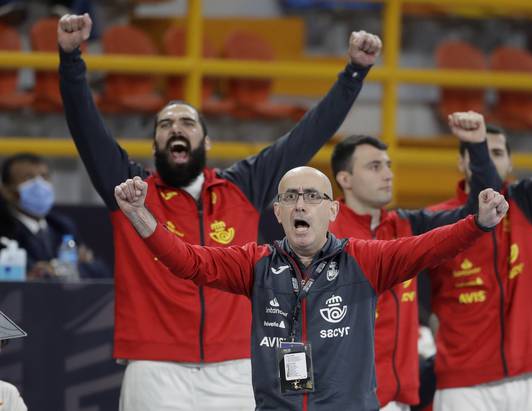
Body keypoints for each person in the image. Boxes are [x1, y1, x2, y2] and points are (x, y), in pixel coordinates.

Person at [57, 12, 382, 410]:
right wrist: (71, 60)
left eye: (188, 122)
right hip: (155, 368)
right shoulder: (131, 193)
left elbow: (306, 136)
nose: (177, 127)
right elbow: (87, 129)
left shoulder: (243, 186)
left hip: (238, 366)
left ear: (205, 142)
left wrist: (354, 73)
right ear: (156, 143)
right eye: (165, 124)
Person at [113, 166, 509, 411]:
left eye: (312, 197)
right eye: (290, 197)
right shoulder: (255, 264)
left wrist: (479, 224)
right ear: (278, 212)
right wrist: (139, 216)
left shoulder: (365, 261)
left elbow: (428, 248)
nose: (301, 205)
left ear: (332, 210)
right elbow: (189, 261)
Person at [425, 73, 532, 411]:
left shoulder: (528, 203)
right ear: (463, 161)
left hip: (523, 380)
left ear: (510, 163)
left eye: (498, 152)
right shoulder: (436, 220)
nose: (489, 159)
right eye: (480, 152)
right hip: (462, 383)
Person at [328, 111, 502, 410]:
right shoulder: (323, 233)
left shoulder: (407, 225)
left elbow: (475, 210)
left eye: (388, 166)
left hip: (398, 401)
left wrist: (476, 146)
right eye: (374, 166)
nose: (388, 174)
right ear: (345, 179)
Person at [0, 153, 108, 279]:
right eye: (28, 178)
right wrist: (67, 268)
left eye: (44, 176)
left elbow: (100, 273)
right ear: (7, 191)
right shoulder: (4, 229)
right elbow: (30, 276)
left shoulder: (61, 226)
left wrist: (54, 270)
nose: (39, 184)